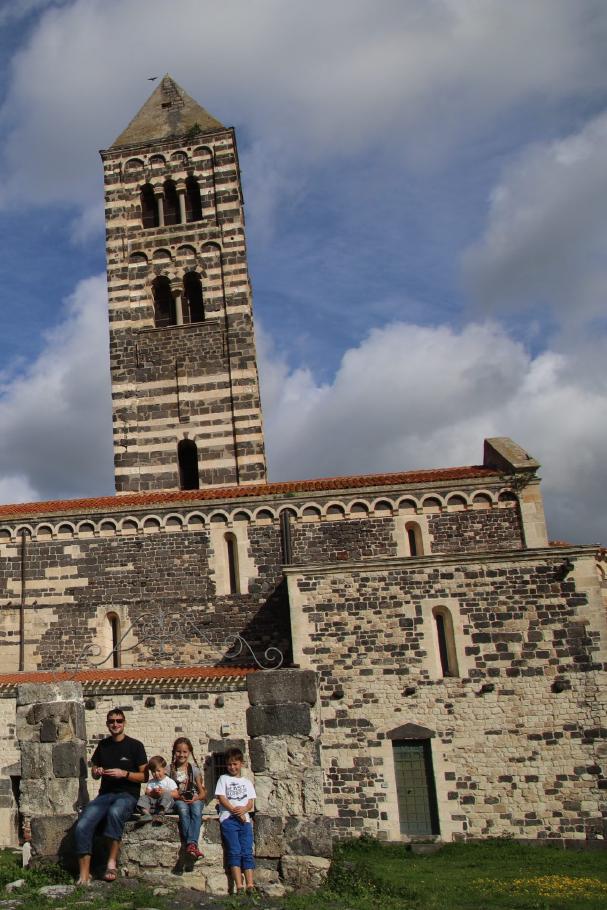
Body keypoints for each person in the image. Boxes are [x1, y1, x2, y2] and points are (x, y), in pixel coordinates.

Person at [74, 708, 147, 885]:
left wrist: (125, 774)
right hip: (105, 795)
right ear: (107, 724)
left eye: (119, 721)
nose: (115, 724)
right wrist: (97, 771)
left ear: (124, 723)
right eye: (111, 721)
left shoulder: (135, 746)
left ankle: (111, 863)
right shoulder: (103, 746)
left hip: (127, 795)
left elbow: (144, 776)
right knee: (82, 824)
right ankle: (84, 875)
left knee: (115, 813)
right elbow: (94, 771)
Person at [215, 747, 256, 894]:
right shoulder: (223, 779)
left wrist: (244, 810)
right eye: (229, 764)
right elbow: (221, 798)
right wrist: (234, 810)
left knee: (246, 851)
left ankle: (250, 884)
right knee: (234, 851)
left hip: (244, 820)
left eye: (235, 764)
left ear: (241, 764)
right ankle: (239, 885)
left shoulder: (247, 782)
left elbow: (251, 802)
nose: (232, 767)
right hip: (229, 819)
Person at [169, 736, 207, 857]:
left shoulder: (194, 770)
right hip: (178, 800)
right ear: (174, 752)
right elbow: (164, 788)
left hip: (194, 798)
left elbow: (202, 792)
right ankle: (192, 844)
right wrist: (177, 795)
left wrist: (196, 798)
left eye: (185, 752)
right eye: (178, 751)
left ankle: (190, 844)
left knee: (196, 810)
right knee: (183, 810)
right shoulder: (169, 770)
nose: (181, 755)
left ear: (189, 752)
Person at [136, 755, 178, 820]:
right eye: (153, 771)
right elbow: (147, 792)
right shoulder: (151, 782)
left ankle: (161, 813)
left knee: (167, 795)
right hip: (154, 803)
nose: (156, 773)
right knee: (143, 797)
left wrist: (164, 792)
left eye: (158, 771)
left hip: (165, 803)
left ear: (164, 769)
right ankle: (146, 814)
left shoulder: (169, 781)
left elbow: (176, 794)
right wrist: (152, 792)